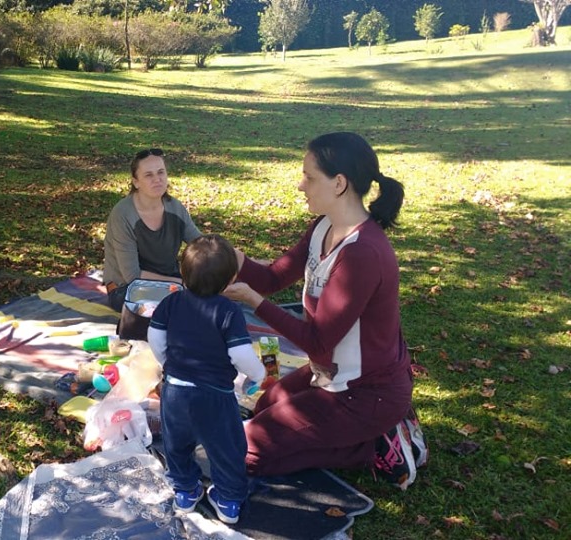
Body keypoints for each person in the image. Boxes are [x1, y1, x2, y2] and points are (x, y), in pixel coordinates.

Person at [224, 132, 423, 489]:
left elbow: (317, 341)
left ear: (340, 183)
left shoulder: (362, 253)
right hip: (330, 373)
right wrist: (232, 258)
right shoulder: (323, 226)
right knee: (263, 406)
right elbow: (272, 277)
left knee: (242, 454)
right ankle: (350, 437)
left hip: (366, 393)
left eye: (309, 177)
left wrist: (254, 302)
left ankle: (370, 445)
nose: (301, 186)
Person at [148, 234, 266, 524]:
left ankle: (185, 491)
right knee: (226, 447)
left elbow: (155, 337)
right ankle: (227, 499)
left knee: (176, 443)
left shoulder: (170, 303)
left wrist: (168, 363)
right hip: (214, 396)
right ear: (229, 281)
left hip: (175, 391)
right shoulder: (229, 311)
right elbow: (240, 354)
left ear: (183, 275)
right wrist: (259, 373)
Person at [103, 148, 202, 312]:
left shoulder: (174, 207)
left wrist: (226, 260)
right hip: (128, 289)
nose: (157, 179)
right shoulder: (123, 214)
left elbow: (201, 244)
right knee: (183, 309)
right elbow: (132, 275)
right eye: (149, 175)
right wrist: (179, 284)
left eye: (161, 172)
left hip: (172, 284)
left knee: (212, 302)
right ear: (136, 182)